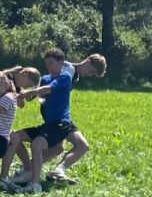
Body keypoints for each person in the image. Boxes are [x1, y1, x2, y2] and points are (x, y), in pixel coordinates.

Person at [7, 52, 105, 185]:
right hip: (56, 116)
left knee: (69, 147)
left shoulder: (73, 74)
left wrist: (32, 93)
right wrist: (31, 92)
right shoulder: (68, 70)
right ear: (87, 61)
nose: (90, 75)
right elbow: (49, 85)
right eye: (92, 71)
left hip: (61, 115)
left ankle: (48, 170)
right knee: (68, 146)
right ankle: (31, 170)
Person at [0, 48, 80, 193]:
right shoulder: (45, 78)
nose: (49, 66)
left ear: (61, 62)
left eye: (51, 63)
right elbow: (32, 97)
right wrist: (18, 92)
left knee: (37, 144)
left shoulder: (65, 77)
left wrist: (32, 92)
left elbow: (47, 89)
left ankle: (34, 184)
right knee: (14, 136)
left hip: (61, 124)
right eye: (47, 64)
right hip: (48, 125)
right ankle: (15, 174)